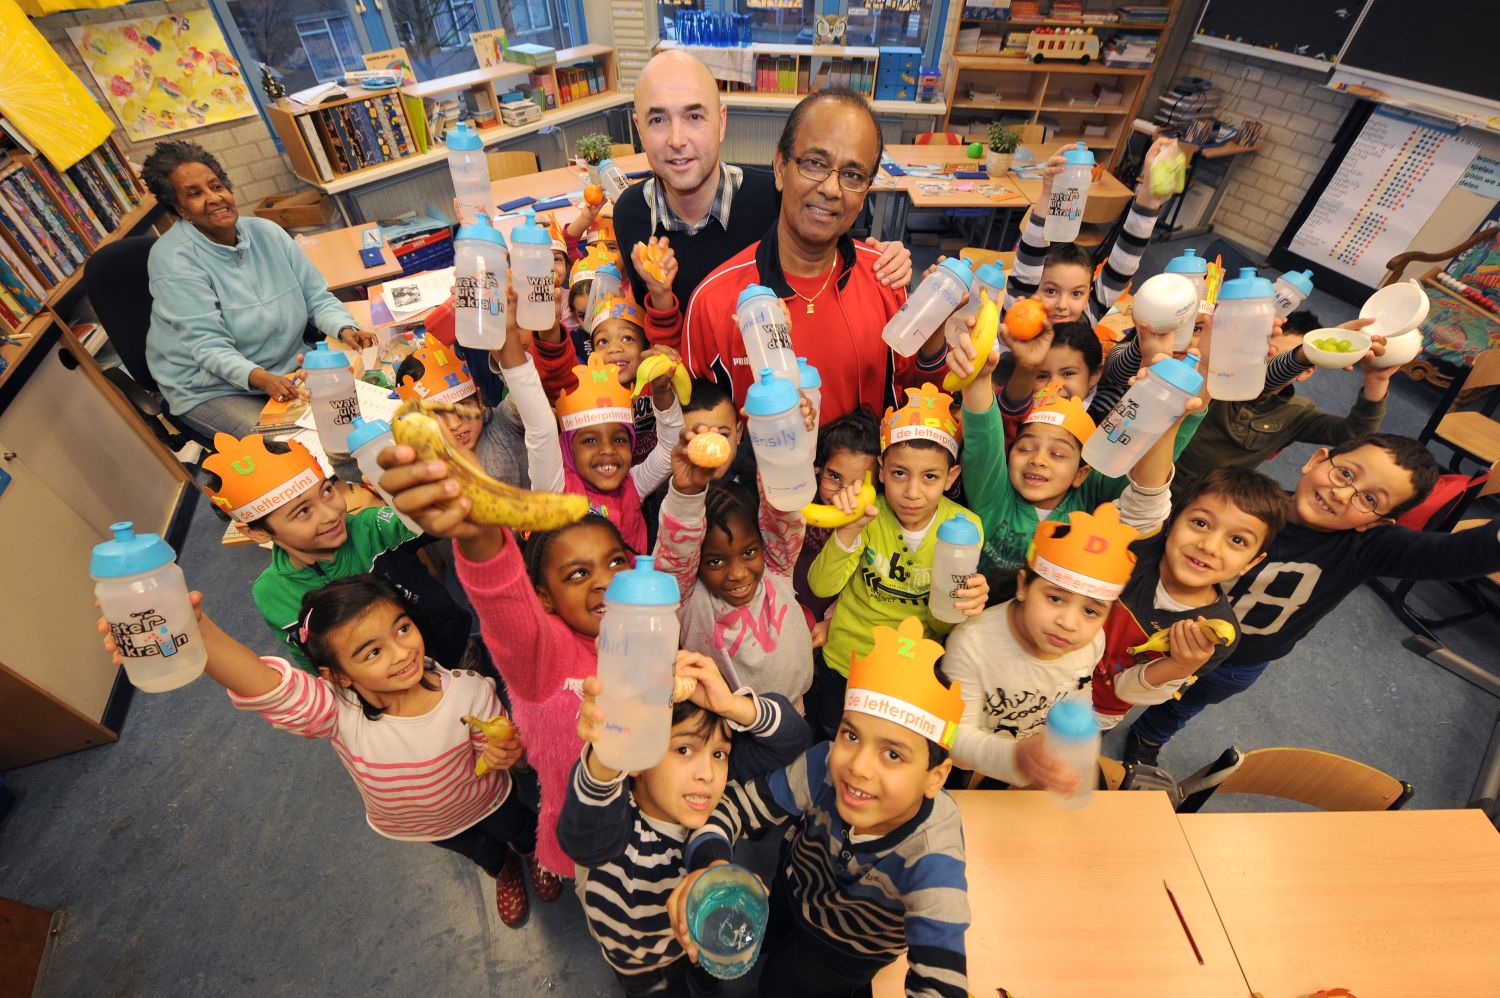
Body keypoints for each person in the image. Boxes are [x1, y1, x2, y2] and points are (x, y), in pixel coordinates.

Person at [96, 575, 556, 927]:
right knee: (478, 849)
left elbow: (496, 746)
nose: (400, 653)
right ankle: (504, 869)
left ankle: (534, 853)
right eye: (371, 652)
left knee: (519, 825)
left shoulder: (470, 692)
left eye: (402, 628)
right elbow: (266, 685)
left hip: (487, 799)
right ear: (338, 676)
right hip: (422, 825)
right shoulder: (338, 712)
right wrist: (195, 633)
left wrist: (504, 751)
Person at [1122, 434, 1500, 766]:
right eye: (1346, 474)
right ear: (1317, 461)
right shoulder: (1247, 505)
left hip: (1241, 660)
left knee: (1186, 703)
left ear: (1378, 523)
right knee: (1118, 674)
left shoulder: (1367, 547)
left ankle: (1150, 735)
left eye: (1369, 498)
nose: (1342, 493)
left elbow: (1460, 554)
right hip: (1156, 625)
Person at [380, 423, 635, 877]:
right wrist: (480, 537)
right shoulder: (545, 657)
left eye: (617, 562)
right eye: (578, 574)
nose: (605, 580)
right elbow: (505, 607)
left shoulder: (642, 628)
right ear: (544, 599)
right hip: (587, 827)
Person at [670, 616, 970, 998]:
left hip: (846, 951)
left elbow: (942, 973)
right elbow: (734, 807)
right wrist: (710, 865)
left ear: (936, 776)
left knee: (779, 984)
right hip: (791, 886)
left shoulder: (933, 857)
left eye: (893, 754)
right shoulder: (824, 765)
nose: (858, 766)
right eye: (851, 734)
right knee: (756, 934)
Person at [682, 89, 946, 424]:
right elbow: (695, 434)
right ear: (780, 167)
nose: (831, 189)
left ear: (866, 191)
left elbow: (917, 404)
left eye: (852, 175)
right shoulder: (713, 303)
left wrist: (935, 337)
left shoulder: (885, 280)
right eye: (815, 164)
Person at [558, 655, 809, 996]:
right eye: (684, 749)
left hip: (691, 940)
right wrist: (608, 755)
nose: (707, 773)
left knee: (703, 970)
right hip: (640, 963)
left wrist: (733, 705)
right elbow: (583, 838)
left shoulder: (712, 808)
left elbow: (793, 739)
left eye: (719, 754)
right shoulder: (616, 831)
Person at [613, 50, 910, 308]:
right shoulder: (630, 215)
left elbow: (833, 253)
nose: (677, 140)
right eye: (658, 120)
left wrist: (886, 259)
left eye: (694, 117)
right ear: (639, 130)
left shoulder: (776, 198)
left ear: (722, 123)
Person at [141, 140, 375, 438]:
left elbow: (315, 298)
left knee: (356, 418)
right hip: (210, 388)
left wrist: (345, 328)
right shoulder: (173, 261)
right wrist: (263, 379)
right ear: (180, 210)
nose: (214, 198)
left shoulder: (268, 232)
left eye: (217, 186)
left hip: (287, 369)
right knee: (295, 448)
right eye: (195, 193)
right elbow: (209, 348)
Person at [805, 384, 988, 739]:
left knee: (890, 747)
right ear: (882, 470)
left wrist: (966, 604)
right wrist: (850, 529)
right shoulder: (869, 515)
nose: (912, 492)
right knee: (831, 737)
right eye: (900, 473)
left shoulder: (965, 529)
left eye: (930, 477)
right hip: (846, 661)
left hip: (911, 670)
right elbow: (821, 586)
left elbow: (941, 620)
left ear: (951, 478)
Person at [203, 432, 471, 673]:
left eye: (328, 491)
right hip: (387, 697)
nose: (332, 514)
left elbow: (442, 518)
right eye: (303, 512)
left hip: (456, 653)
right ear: (258, 532)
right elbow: (314, 664)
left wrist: (420, 491)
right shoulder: (272, 594)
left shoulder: (372, 529)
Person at [943, 503, 1144, 789]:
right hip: (972, 763)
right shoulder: (972, 643)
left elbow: (1079, 687)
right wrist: (1017, 757)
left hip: (1037, 761)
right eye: (1055, 598)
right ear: (1023, 586)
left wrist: (1074, 740)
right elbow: (954, 736)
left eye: (1091, 611)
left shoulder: (1090, 641)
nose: (1069, 623)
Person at [1090, 467, 1287, 730]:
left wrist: (1179, 666)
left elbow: (1128, 692)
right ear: (1172, 522)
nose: (1209, 546)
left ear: (1251, 563)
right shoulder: (1139, 551)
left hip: (1093, 709)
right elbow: (1146, 490)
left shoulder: (1216, 635)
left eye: (1237, 540)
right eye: (1201, 523)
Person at [495, 305, 683, 553]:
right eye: (590, 441)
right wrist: (509, 339)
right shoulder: (556, 491)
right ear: (569, 448)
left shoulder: (632, 486)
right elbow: (540, 428)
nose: (608, 450)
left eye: (619, 440)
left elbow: (671, 447)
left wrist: (661, 393)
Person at [654, 426, 813, 705]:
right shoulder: (689, 597)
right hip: (724, 729)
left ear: (764, 544)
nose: (738, 573)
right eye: (715, 561)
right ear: (695, 563)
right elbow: (677, 551)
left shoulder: (776, 566)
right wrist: (687, 493)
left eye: (749, 552)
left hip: (793, 715)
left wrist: (775, 440)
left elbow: (783, 513)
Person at [1171, 312, 1391, 501]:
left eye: (1287, 357)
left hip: (1207, 499)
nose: (1269, 360)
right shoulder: (1222, 379)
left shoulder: (1298, 413)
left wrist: (1377, 381)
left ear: (1307, 371)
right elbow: (1261, 378)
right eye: (1268, 351)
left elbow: (1354, 434)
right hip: (1159, 476)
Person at [393, 342, 528, 488]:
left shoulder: (504, 422)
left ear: (479, 400)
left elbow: (525, 390)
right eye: (437, 414)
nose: (454, 424)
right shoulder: (430, 462)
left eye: (462, 406)